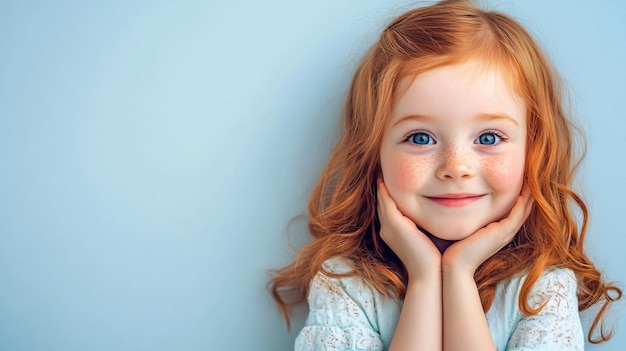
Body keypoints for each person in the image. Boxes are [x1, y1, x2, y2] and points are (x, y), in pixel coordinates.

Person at [269, 0, 622, 350]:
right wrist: (424, 278)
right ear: (374, 154)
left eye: (488, 138)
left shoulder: (543, 291)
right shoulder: (344, 286)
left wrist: (458, 274)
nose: (456, 167)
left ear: (534, 149)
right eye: (421, 138)